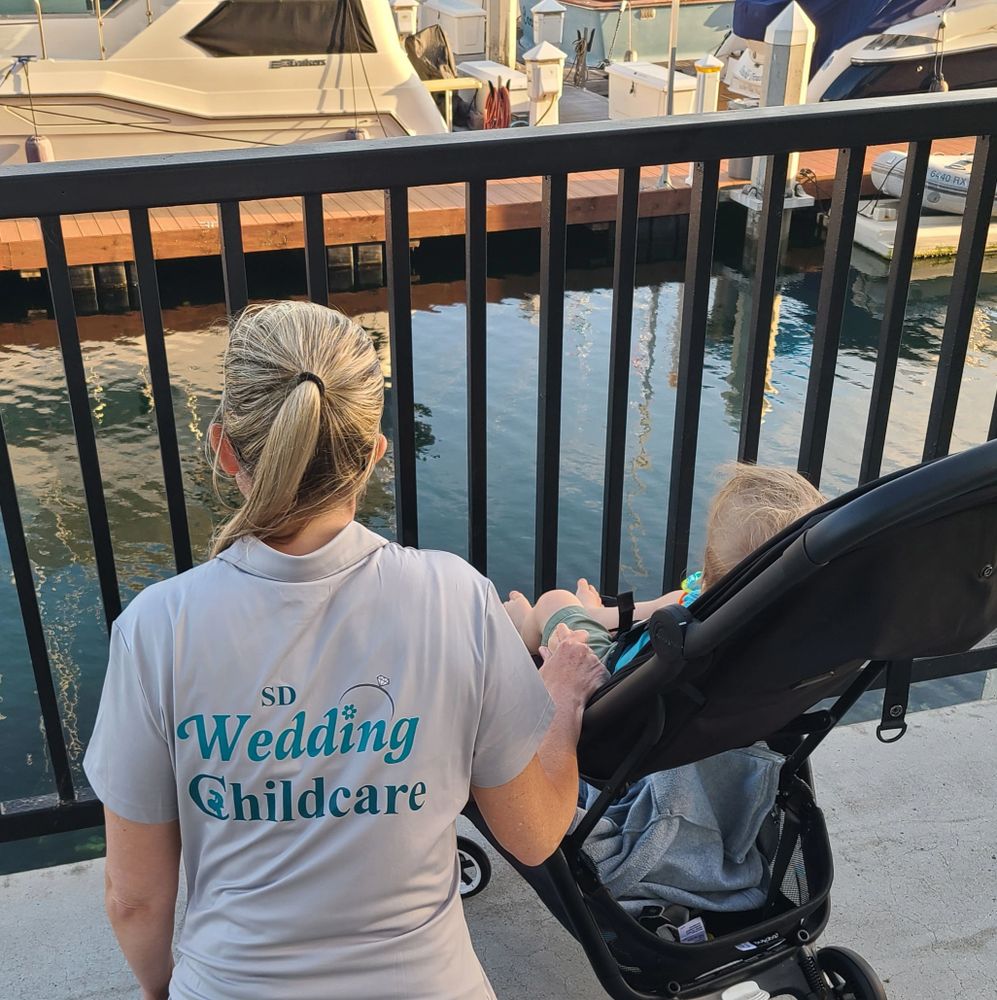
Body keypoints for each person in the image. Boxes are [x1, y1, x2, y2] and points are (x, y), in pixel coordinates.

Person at [83, 301, 608, 1000]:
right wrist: (562, 701)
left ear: (223, 447)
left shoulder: (157, 627)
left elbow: (134, 899)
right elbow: (537, 833)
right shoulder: (454, 597)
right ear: (372, 454)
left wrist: (162, 991)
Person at [504, 464, 825, 663]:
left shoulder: (691, 624)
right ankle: (587, 614)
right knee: (667, 604)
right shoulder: (794, 626)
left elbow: (618, 635)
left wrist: (578, 612)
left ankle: (520, 628)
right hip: (703, 703)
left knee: (555, 601)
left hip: (601, 680)